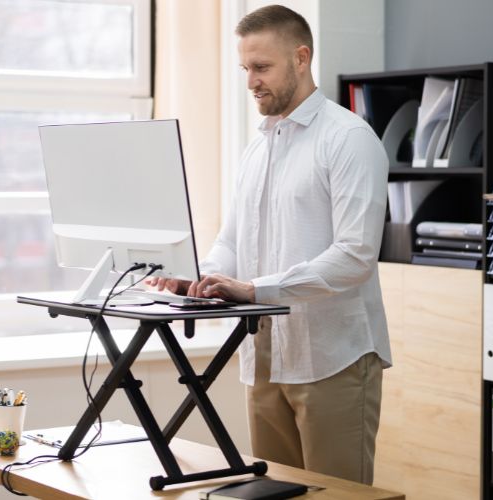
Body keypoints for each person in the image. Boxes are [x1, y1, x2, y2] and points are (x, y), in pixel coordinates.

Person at [147, 4, 392, 485]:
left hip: (331, 358)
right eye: (245, 68)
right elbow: (234, 240)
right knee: (271, 492)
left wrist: (255, 289)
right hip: (262, 355)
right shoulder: (258, 147)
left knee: (335, 496)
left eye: (262, 67)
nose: (250, 81)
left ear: (301, 58)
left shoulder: (348, 139)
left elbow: (355, 255)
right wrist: (198, 276)